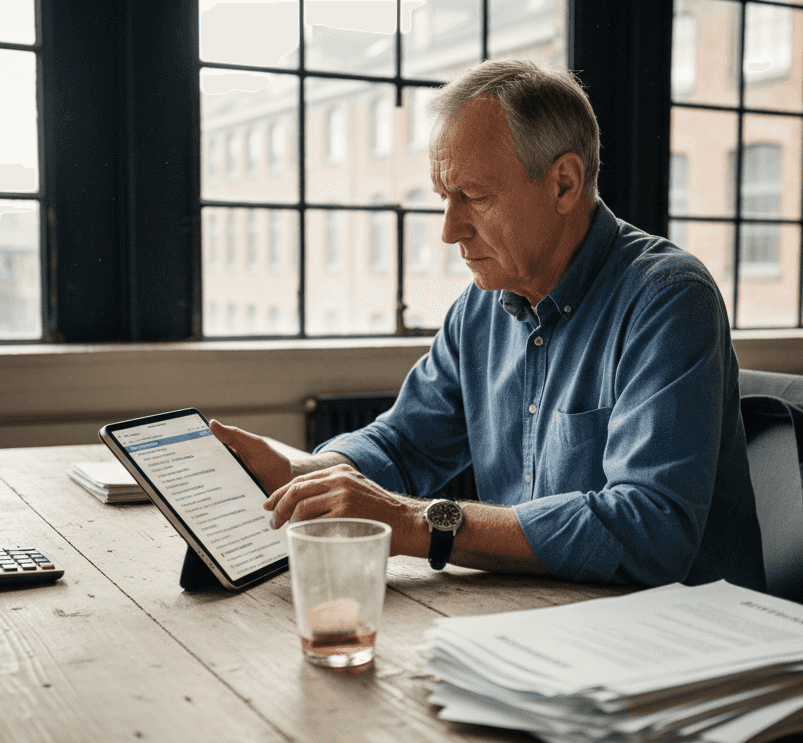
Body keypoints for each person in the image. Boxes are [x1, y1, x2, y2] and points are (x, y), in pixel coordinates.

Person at [210, 59, 764, 590]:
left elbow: (650, 530)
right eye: (444, 199)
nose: (450, 232)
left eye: (471, 196)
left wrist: (418, 522)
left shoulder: (668, 298)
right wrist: (306, 477)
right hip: (545, 617)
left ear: (565, 184)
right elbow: (404, 444)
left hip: (683, 642)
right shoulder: (481, 307)